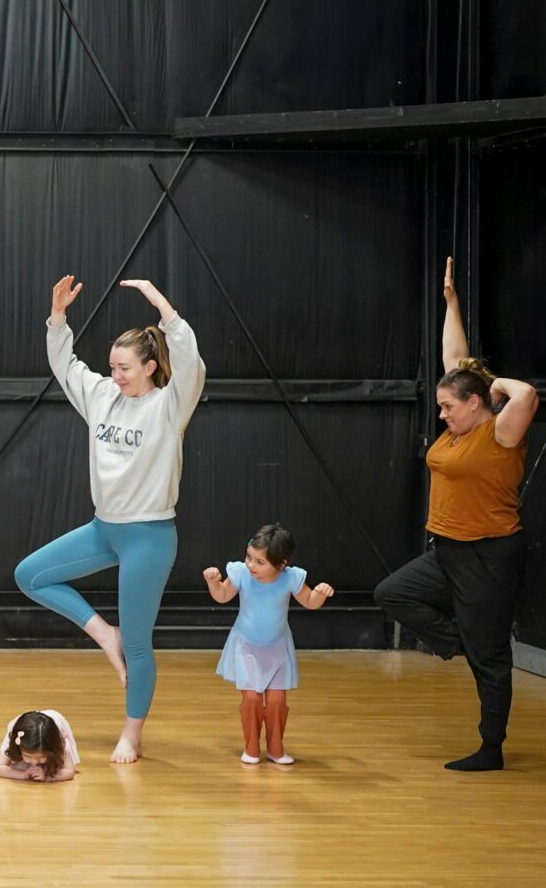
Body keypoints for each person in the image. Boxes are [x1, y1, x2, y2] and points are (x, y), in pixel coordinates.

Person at [13, 277, 207, 764]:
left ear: (149, 366)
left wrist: (164, 307)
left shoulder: (170, 405)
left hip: (149, 535)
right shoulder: (102, 395)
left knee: (138, 644)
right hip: (105, 528)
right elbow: (65, 365)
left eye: (124, 367)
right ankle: (103, 633)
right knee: (29, 575)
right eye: (112, 367)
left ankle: (133, 734)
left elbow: (190, 362)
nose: (115, 374)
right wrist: (57, 317)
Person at [374, 257, 537, 772]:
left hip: (490, 555)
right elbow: (454, 358)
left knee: (491, 661)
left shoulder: (500, 433)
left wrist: (489, 381)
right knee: (391, 593)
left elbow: (527, 394)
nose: (440, 413)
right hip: (445, 550)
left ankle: (491, 748)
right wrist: (450, 303)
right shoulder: (458, 429)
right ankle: (456, 641)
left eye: (448, 405)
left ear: (476, 404)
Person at [205, 523, 336, 767]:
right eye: (249, 557)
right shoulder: (241, 573)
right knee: (252, 699)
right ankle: (251, 747)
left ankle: (276, 748)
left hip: (277, 648)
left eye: (259, 562)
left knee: (276, 701)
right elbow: (222, 595)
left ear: (281, 564)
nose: (251, 565)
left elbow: (309, 601)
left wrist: (320, 593)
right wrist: (213, 582)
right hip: (246, 646)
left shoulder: (291, 578)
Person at [0, 709, 81, 782]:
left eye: (41, 756)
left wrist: (47, 776)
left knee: (57, 764)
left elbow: (69, 771)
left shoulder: (58, 736)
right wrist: (23, 774)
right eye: (28, 756)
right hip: (24, 725)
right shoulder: (15, 734)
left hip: (54, 725)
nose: (34, 762)